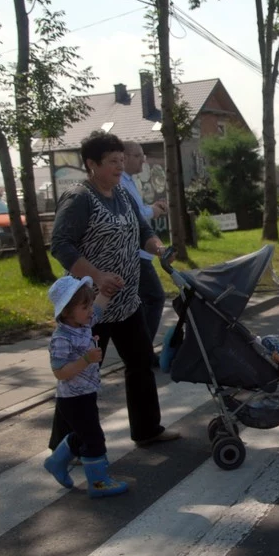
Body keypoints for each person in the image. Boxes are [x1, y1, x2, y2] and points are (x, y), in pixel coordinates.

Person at [49, 131, 180, 450]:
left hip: (126, 302)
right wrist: (95, 275)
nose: (120, 167)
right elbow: (60, 245)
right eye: (112, 162)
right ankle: (66, 446)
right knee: (79, 377)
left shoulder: (122, 193)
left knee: (140, 363)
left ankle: (147, 429)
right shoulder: (79, 197)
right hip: (88, 309)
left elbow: (144, 231)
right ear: (91, 164)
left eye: (122, 160)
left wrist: (160, 249)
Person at [44, 275, 128, 498]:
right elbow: (59, 372)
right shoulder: (61, 338)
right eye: (85, 306)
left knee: (83, 434)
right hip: (72, 398)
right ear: (67, 312)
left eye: (89, 304)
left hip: (86, 393)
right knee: (94, 438)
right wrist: (86, 360)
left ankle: (56, 462)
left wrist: (106, 294)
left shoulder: (83, 323)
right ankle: (98, 482)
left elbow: (99, 310)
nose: (91, 310)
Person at [120, 141, 168, 365]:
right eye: (138, 156)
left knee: (141, 301)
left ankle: (140, 349)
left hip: (141, 251)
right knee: (155, 297)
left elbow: (138, 213)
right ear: (125, 157)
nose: (143, 160)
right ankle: (142, 351)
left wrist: (151, 207)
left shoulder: (130, 181)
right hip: (135, 253)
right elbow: (136, 215)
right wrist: (153, 210)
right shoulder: (121, 181)